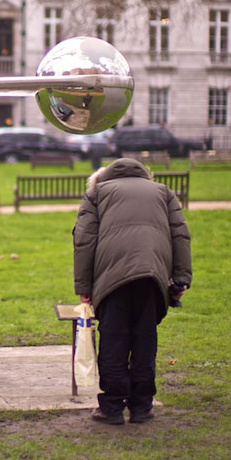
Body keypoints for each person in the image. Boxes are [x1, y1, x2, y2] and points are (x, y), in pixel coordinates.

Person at [72, 157, 192, 424]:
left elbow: (84, 240)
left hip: (111, 279)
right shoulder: (163, 192)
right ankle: (141, 406)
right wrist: (181, 279)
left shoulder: (97, 193)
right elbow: (180, 235)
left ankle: (112, 407)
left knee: (113, 342)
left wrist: (84, 287)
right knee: (145, 341)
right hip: (152, 277)